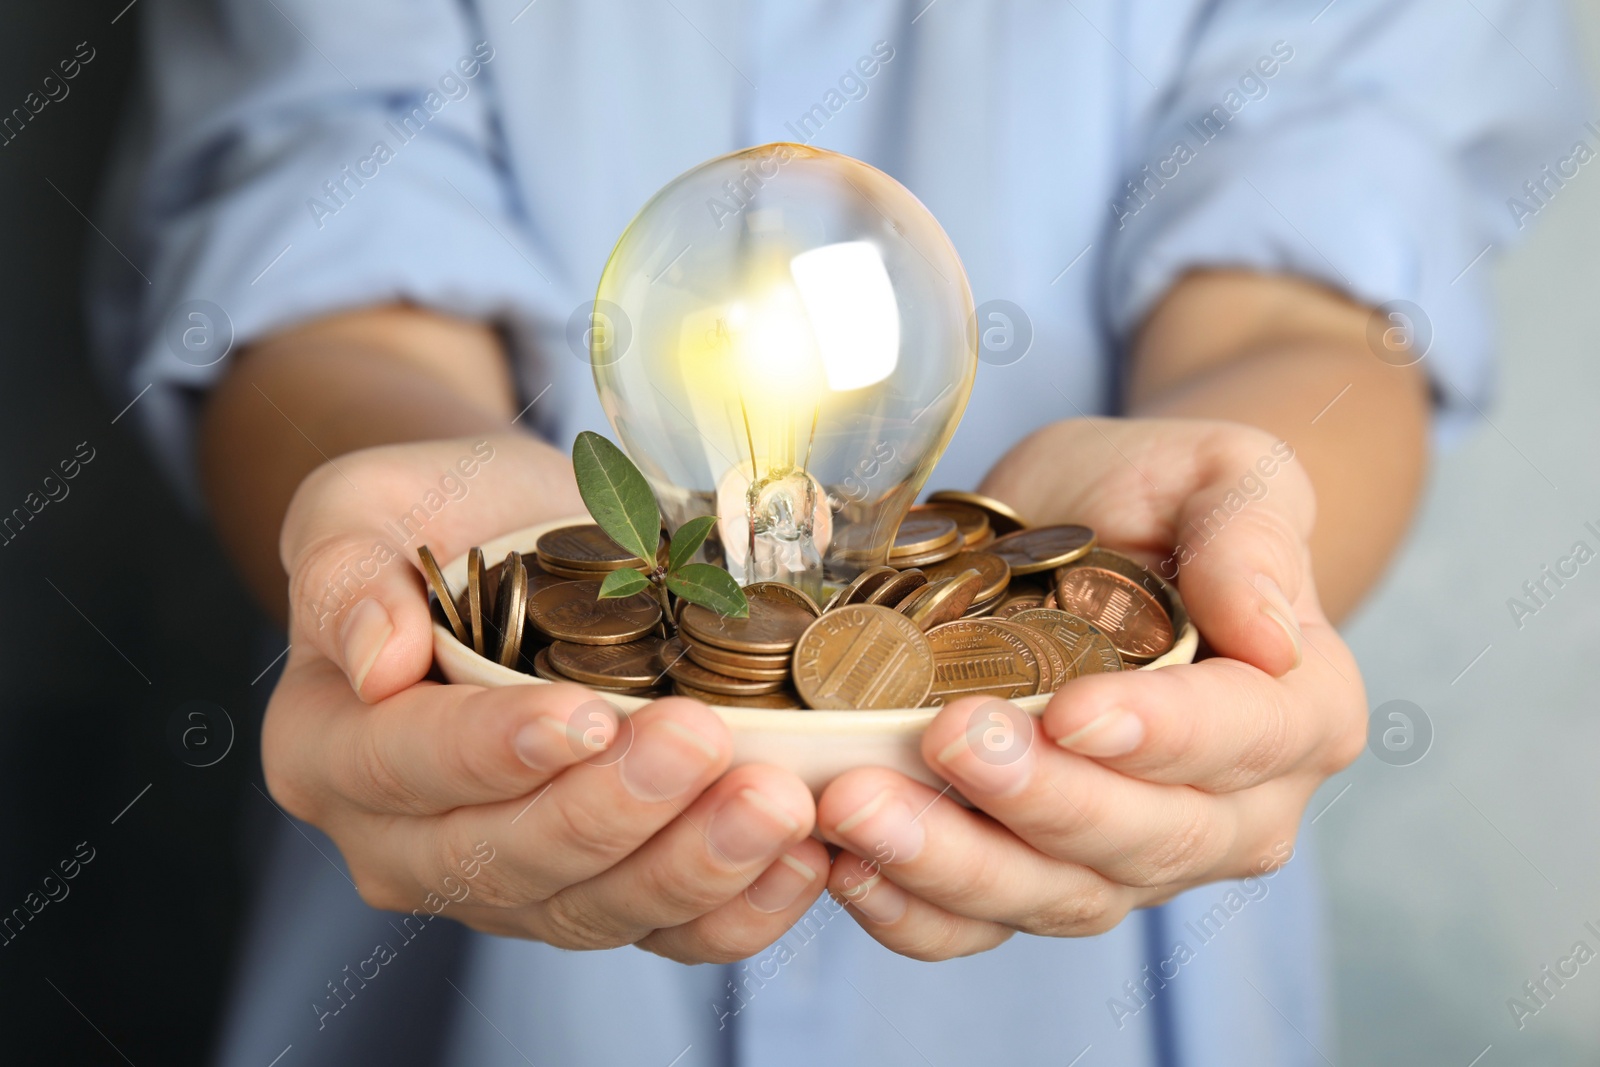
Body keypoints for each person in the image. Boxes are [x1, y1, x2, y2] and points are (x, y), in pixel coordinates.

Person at [90, 1, 1585, 1063]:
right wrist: (405, 512)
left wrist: (1240, 546)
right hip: (478, 938)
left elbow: (1300, 279)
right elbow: (333, 251)